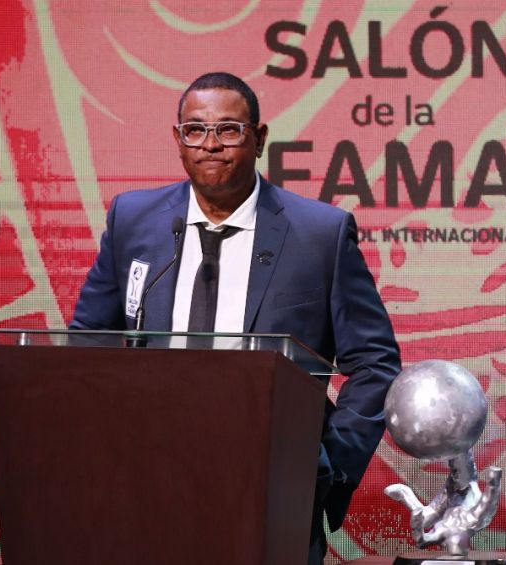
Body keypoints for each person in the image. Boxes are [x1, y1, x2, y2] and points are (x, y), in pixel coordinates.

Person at [70, 71, 401, 564]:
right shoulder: (132, 221)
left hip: (269, 494)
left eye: (229, 130)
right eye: (195, 131)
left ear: (259, 139)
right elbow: (85, 346)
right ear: (178, 140)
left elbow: (374, 362)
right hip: (145, 488)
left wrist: (325, 466)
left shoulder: (319, 234)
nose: (211, 145)